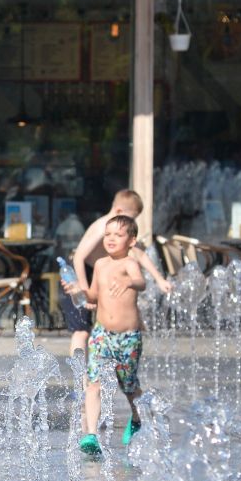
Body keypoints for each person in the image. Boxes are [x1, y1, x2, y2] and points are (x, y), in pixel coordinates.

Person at [59, 190, 172, 356]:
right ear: (119, 211)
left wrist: (160, 279)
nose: (132, 222)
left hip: (96, 271)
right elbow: (78, 258)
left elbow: (140, 253)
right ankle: (81, 380)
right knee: (81, 331)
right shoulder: (103, 227)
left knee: (101, 326)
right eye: (132, 217)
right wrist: (84, 291)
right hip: (76, 274)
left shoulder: (118, 231)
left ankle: (108, 368)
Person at [80, 215, 147, 456]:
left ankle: (137, 417)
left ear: (131, 240)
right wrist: (80, 291)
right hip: (101, 334)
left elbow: (141, 283)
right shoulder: (99, 264)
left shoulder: (129, 263)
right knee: (94, 383)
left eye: (118, 235)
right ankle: (91, 435)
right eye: (107, 234)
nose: (110, 239)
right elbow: (94, 296)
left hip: (128, 338)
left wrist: (129, 281)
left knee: (128, 386)